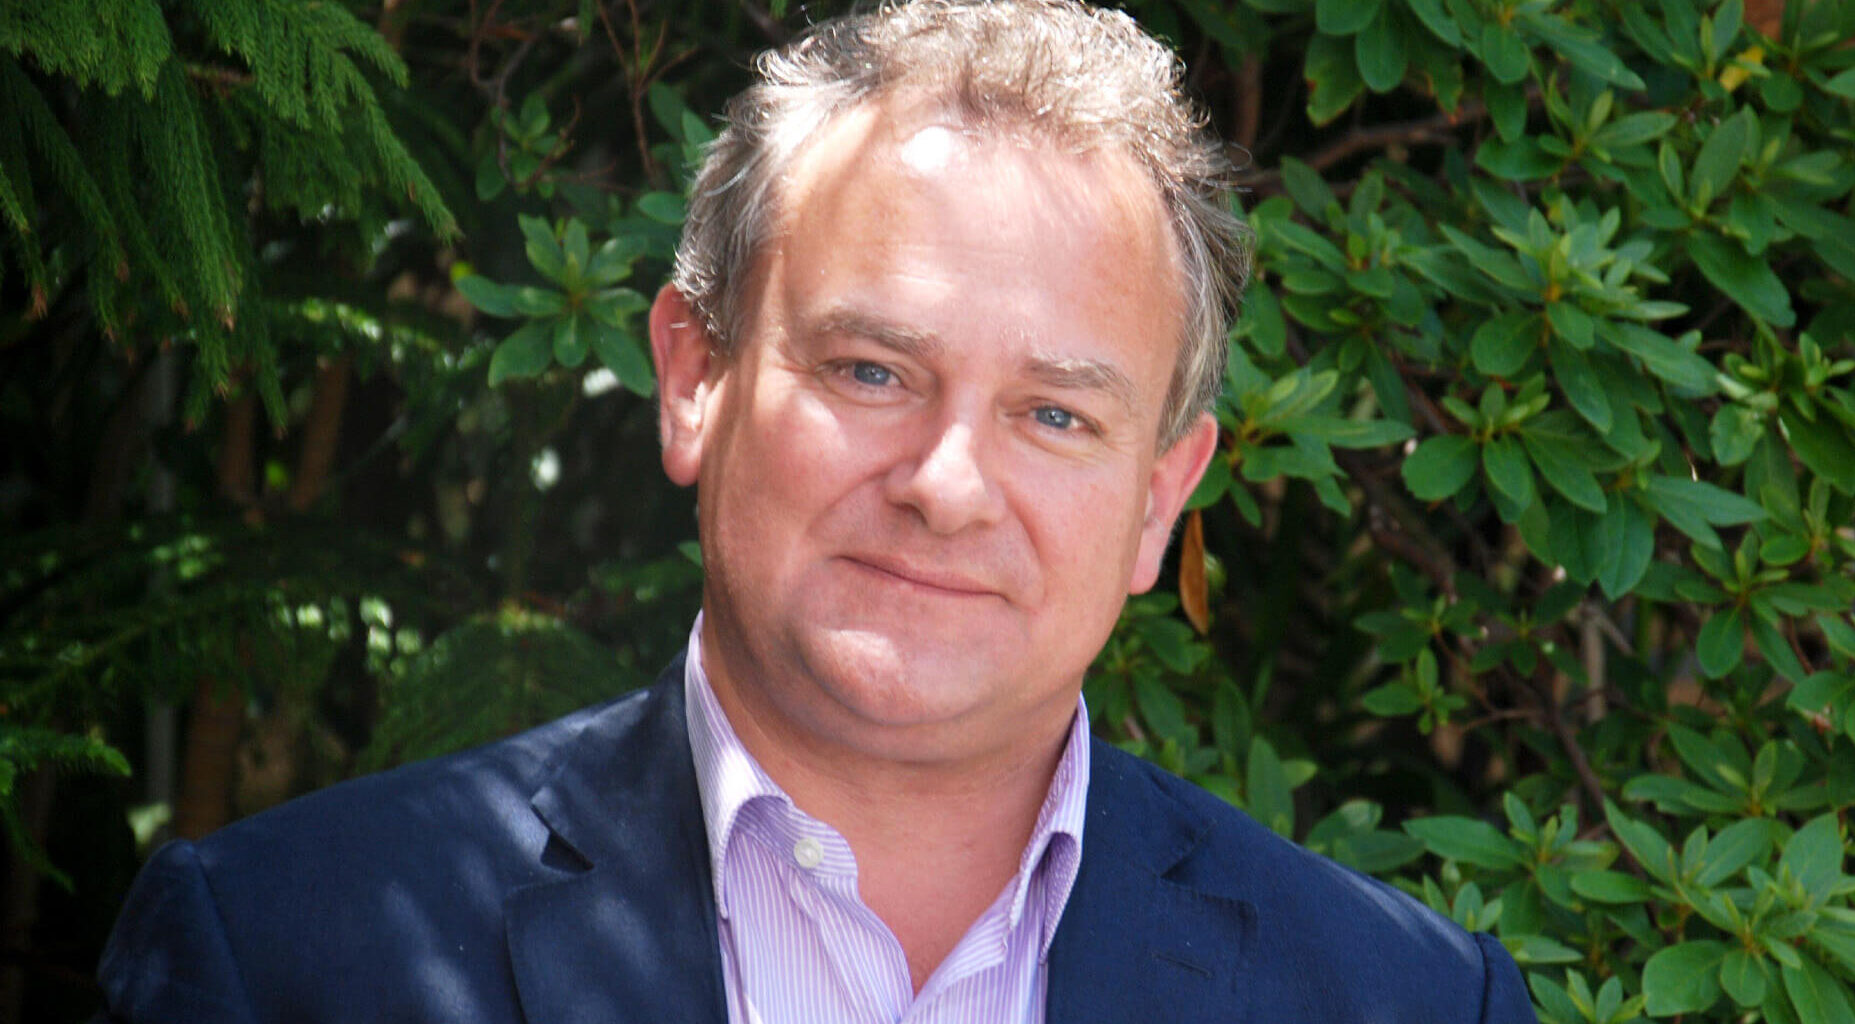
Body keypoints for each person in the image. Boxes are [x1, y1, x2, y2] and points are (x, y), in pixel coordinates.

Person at [95, 1, 1539, 1021]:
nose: (947, 486)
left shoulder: (1411, 1002)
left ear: (1161, 499)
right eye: (870, 371)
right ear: (693, 381)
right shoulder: (279, 959)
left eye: (1054, 414)